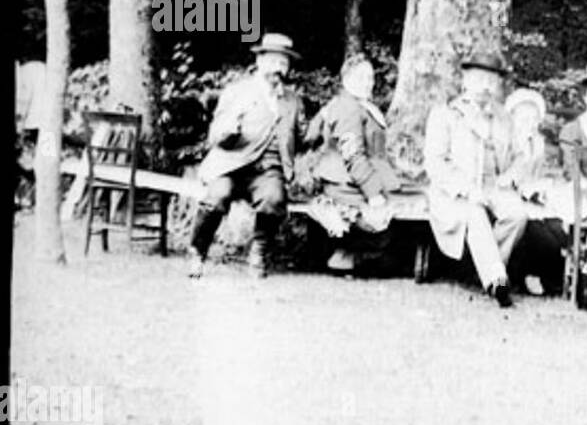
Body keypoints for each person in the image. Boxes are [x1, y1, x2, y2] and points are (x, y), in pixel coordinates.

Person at [187, 33, 306, 279]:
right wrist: (228, 131)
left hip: (267, 171)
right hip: (229, 165)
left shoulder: (292, 101)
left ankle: (259, 254)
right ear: (260, 61)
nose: (278, 69)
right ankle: (197, 252)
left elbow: (301, 138)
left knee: (274, 199)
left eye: (284, 63)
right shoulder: (237, 92)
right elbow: (214, 135)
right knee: (217, 196)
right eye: (273, 62)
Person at [424, 51, 529, 308]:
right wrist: (466, 189)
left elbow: (520, 157)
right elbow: (435, 163)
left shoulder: (504, 117)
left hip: (495, 188)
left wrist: (510, 176)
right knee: (475, 214)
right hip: (456, 191)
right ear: (465, 81)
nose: (485, 86)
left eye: (491, 81)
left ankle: (484, 268)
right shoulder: (446, 114)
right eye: (479, 79)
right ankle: (496, 281)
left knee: (517, 214)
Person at [303, 53, 402, 273]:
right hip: (347, 184)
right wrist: (374, 193)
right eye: (361, 77)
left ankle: (355, 256)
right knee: (386, 222)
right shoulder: (347, 107)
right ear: (346, 79)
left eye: (370, 77)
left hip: (360, 179)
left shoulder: (360, 105)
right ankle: (348, 255)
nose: (368, 83)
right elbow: (353, 156)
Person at [500, 87, 565, 296]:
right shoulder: (506, 142)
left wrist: (540, 189)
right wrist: (520, 187)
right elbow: (502, 178)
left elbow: (535, 176)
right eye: (523, 116)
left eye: (532, 117)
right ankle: (523, 275)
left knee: (560, 230)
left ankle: (554, 281)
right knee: (545, 240)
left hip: (532, 201)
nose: (528, 121)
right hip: (509, 200)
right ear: (513, 117)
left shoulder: (537, 142)